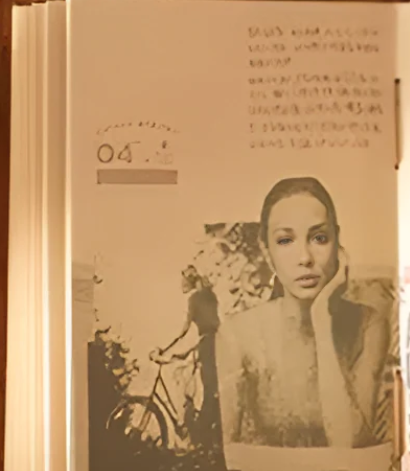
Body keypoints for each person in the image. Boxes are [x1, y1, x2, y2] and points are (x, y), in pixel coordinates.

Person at [216, 177, 391, 452]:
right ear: (267, 251)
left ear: (337, 242)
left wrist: (321, 320)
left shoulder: (370, 324)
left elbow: (348, 445)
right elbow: (230, 458)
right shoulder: (237, 335)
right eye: (285, 240)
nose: (305, 258)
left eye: (319, 238)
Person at [151, 265, 223, 452]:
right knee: (206, 391)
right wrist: (184, 352)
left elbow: (183, 330)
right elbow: (211, 327)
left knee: (206, 392)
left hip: (208, 347)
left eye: (184, 280)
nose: (182, 284)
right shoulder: (210, 296)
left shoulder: (195, 299)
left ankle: (201, 440)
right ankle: (200, 436)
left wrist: (164, 348)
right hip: (213, 344)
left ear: (190, 281)